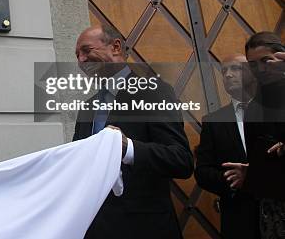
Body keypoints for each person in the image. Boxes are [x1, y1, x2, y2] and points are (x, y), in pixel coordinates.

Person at [73, 25, 193, 239]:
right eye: (77, 55)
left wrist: (128, 148)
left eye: (86, 50)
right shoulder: (87, 108)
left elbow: (181, 160)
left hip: (144, 227)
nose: (81, 60)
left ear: (116, 47)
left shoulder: (153, 91)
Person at [194, 54, 259, 239]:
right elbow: (202, 172)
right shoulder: (213, 121)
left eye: (236, 69)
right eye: (224, 71)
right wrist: (233, 180)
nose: (228, 75)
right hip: (239, 219)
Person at [241, 32, 285, 239]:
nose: (260, 69)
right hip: (274, 206)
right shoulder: (253, 109)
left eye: (266, 60)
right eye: (253, 64)